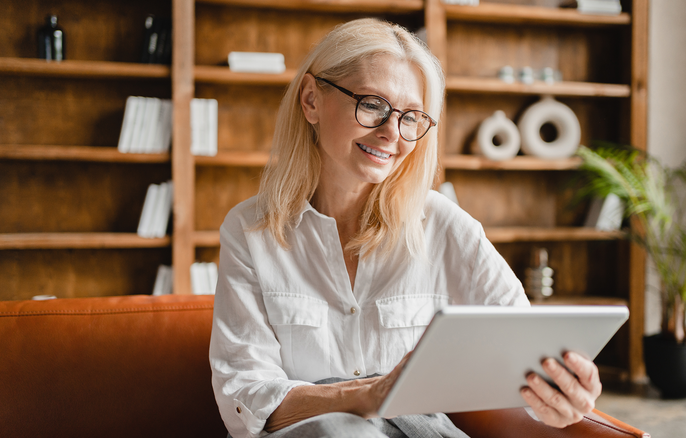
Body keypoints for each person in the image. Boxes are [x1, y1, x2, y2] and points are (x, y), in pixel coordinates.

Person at [209, 18, 602, 438]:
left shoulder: (446, 225)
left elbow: (527, 354)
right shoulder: (250, 230)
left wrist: (562, 393)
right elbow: (246, 398)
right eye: (373, 104)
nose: (392, 133)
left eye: (411, 116)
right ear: (311, 100)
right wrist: (365, 396)